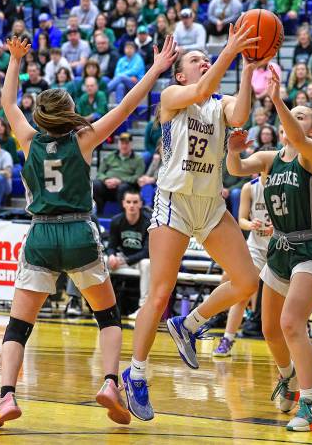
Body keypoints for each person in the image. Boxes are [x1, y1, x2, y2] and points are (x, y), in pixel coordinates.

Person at [0, 34, 178, 429]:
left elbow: (6, 102)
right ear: (69, 114)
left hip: (40, 236)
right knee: (107, 318)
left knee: (19, 326)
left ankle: (5, 397)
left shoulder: (27, 139)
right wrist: (155, 70)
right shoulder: (83, 139)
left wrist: (15, 60)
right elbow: (124, 107)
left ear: (41, 116)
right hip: (78, 234)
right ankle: (108, 383)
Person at [121, 26, 263, 421]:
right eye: (195, 59)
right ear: (181, 74)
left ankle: (190, 323)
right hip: (174, 201)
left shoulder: (218, 103)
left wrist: (248, 68)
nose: (203, 61)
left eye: (207, 57)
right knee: (160, 292)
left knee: (247, 281)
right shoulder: (172, 97)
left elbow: (240, 113)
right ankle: (135, 375)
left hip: (209, 202)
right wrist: (231, 51)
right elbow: (201, 92)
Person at [226, 66, 312, 431]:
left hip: (311, 249)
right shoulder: (271, 159)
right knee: (269, 328)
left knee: (291, 323)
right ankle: (287, 376)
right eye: (294, 113)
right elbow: (237, 168)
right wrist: (232, 148)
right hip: (278, 248)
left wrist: (275, 98)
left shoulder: (311, 152)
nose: (295, 117)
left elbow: (293, 133)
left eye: (302, 116)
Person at [212, 171, 272, 357]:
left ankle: (305, 343)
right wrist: (250, 224)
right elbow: (241, 220)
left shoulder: (284, 185)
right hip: (256, 248)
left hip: (279, 248)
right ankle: (227, 339)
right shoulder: (250, 187)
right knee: (243, 294)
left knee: (288, 300)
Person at [106, 189, 151, 318]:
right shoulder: (116, 221)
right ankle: (104, 307)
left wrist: (125, 261)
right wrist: (112, 256)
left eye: (135, 202)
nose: (132, 205)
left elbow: (146, 252)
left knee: (147, 264)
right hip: (123, 258)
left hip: (138, 260)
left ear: (140, 204)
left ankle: (143, 309)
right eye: (129, 202)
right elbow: (111, 246)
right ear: (123, 204)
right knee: (101, 261)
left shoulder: (148, 223)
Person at [93, 132, 145, 214]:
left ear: (131, 144)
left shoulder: (138, 159)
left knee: (123, 188)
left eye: (127, 143)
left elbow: (137, 177)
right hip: (107, 186)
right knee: (95, 185)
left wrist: (120, 181)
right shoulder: (109, 156)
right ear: (118, 144)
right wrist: (106, 180)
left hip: (125, 187)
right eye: (122, 143)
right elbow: (100, 173)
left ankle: (122, 216)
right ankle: (99, 214)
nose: (124, 146)